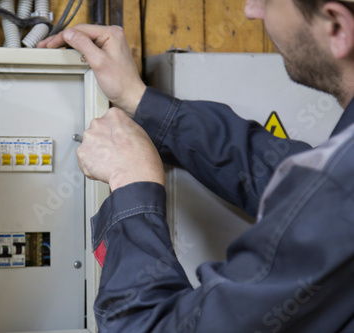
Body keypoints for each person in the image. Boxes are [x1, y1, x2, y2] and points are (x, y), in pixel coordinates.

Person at [38, 0, 354, 331]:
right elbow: (286, 176)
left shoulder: (339, 192)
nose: (252, 10)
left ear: (335, 25)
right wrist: (140, 99)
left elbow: (145, 326)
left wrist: (130, 183)